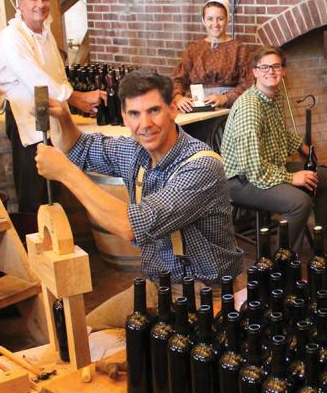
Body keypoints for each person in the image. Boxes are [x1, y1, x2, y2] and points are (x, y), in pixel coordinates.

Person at [35, 70, 244, 330]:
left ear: (172, 110)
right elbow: (78, 147)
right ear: (124, 116)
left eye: (154, 111)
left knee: (159, 363)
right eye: (134, 114)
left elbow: (130, 226)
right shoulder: (135, 151)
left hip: (206, 295)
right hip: (159, 286)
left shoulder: (200, 166)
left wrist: (67, 173)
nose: (144, 124)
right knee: (84, 331)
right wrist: (65, 119)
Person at [220, 46, 327, 264]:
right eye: (265, 67)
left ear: (283, 70)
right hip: (242, 180)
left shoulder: (273, 97)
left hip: (269, 167)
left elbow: (279, 132)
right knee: (299, 202)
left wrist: (301, 146)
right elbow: (253, 169)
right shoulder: (251, 108)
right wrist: (291, 178)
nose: (271, 71)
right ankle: (283, 265)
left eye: (276, 66)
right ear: (255, 72)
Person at [0, 0, 104, 214]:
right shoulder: (11, 36)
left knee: (53, 180)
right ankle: (35, 242)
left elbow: (57, 73)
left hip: (50, 114)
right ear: (20, 4)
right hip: (26, 118)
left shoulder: (45, 33)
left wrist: (73, 100)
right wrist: (75, 97)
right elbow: (34, 78)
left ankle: (57, 236)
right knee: (33, 185)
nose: (40, 4)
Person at [171, 0, 252, 111]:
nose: (215, 24)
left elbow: (248, 83)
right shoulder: (193, 50)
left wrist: (225, 98)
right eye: (210, 19)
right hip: (196, 109)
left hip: (228, 109)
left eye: (220, 19)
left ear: (227, 19)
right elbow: (178, 79)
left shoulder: (240, 50)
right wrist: (178, 98)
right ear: (203, 20)